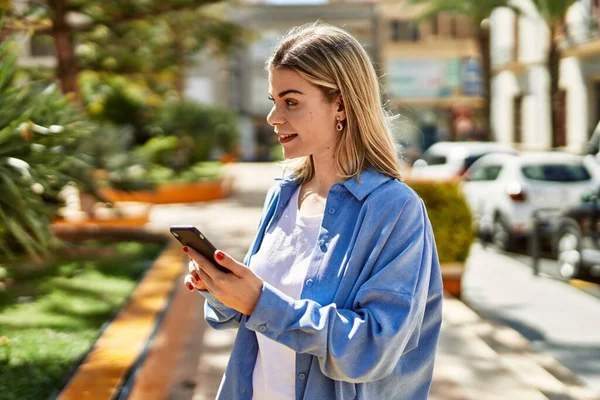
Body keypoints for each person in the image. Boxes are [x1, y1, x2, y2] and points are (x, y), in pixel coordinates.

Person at [183, 22, 443, 400]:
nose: (274, 117)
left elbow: (372, 347)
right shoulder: (284, 194)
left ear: (341, 103)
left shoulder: (395, 210)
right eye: (274, 101)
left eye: (291, 102)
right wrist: (223, 290)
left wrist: (259, 302)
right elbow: (256, 316)